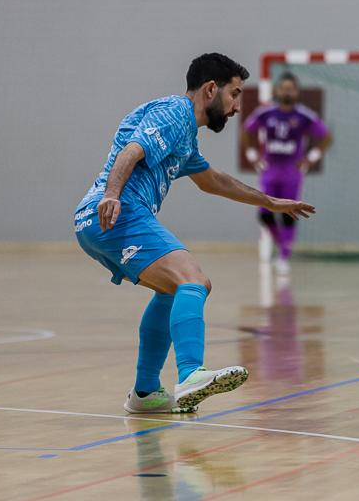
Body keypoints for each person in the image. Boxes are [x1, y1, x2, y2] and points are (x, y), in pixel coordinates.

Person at [74, 53, 315, 414]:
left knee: (172, 291)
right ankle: (190, 375)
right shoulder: (175, 113)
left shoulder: (184, 134)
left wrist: (269, 201)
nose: (237, 107)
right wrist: (111, 195)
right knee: (193, 280)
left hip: (98, 220)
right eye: (235, 94)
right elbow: (131, 152)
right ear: (211, 89)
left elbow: (212, 180)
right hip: (117, 211)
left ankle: (145, 392)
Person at [241, 72, 332, 274]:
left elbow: (326, 136)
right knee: (265, 215)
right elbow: (246, 131)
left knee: (289, 213)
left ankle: (284, 256)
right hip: (270, 170)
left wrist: (311, 157)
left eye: (291, 89)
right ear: (277, 90)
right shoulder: (265, 113)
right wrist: (252, 154)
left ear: (297, 92)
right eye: (284, 88)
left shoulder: (304, 115)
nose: (287, 92)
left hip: (291, 172)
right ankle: (282, 245)